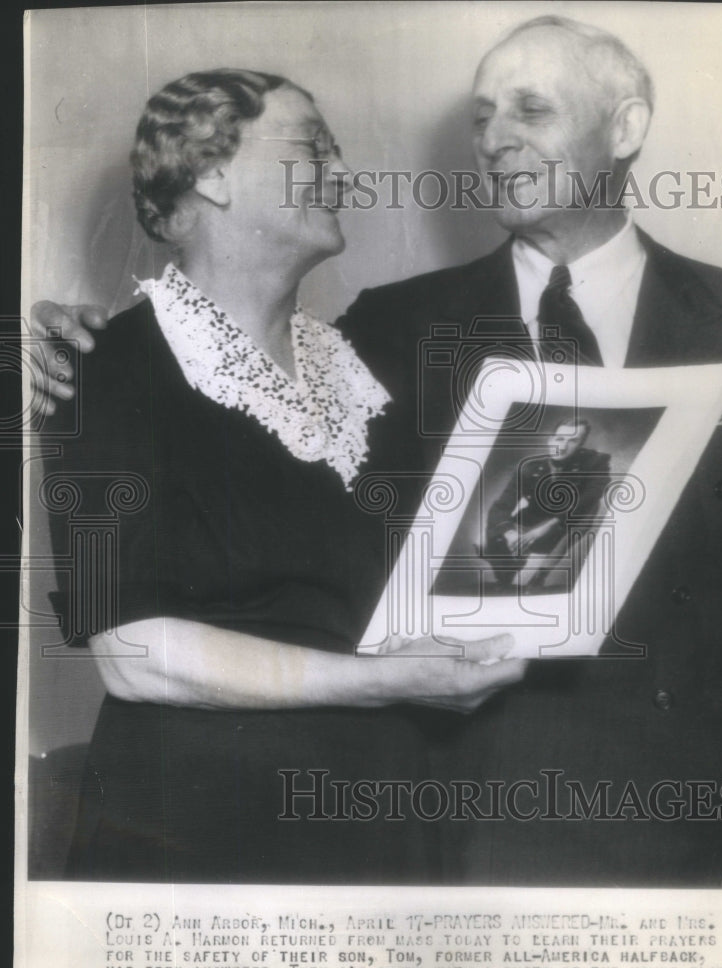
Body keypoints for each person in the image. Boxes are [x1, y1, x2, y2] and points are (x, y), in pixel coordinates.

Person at [32, 16, 722, 887]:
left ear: (625, 127)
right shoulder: (390, 330)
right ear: (213, 173)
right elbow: (147, 615)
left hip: (678, 826)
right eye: (481, 116)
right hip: (445, 831)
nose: (493, 142)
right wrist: (56, 336)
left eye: (529, 109)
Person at [35, 68, 526, 883]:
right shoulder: (94, 371)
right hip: (203, 835)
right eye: (311, 149)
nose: (341, 174)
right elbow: (131, 653)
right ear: (211, 173)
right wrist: (383, 683)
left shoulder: (370, 371)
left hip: (385, 827)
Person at [485, 419, 611, 591]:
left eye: (572, 441)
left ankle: (540, 576)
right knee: (494, 541)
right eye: (559, 439)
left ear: (581, 444)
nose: (563, 446)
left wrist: (548, 527)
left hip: (568, 521)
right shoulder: (529, 467)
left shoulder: (595, 462)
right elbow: (500, 507)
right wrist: (510, 533)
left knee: (589, 508)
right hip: (534, 518)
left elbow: (591, 497)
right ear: (550, 440)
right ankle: (507, 574)